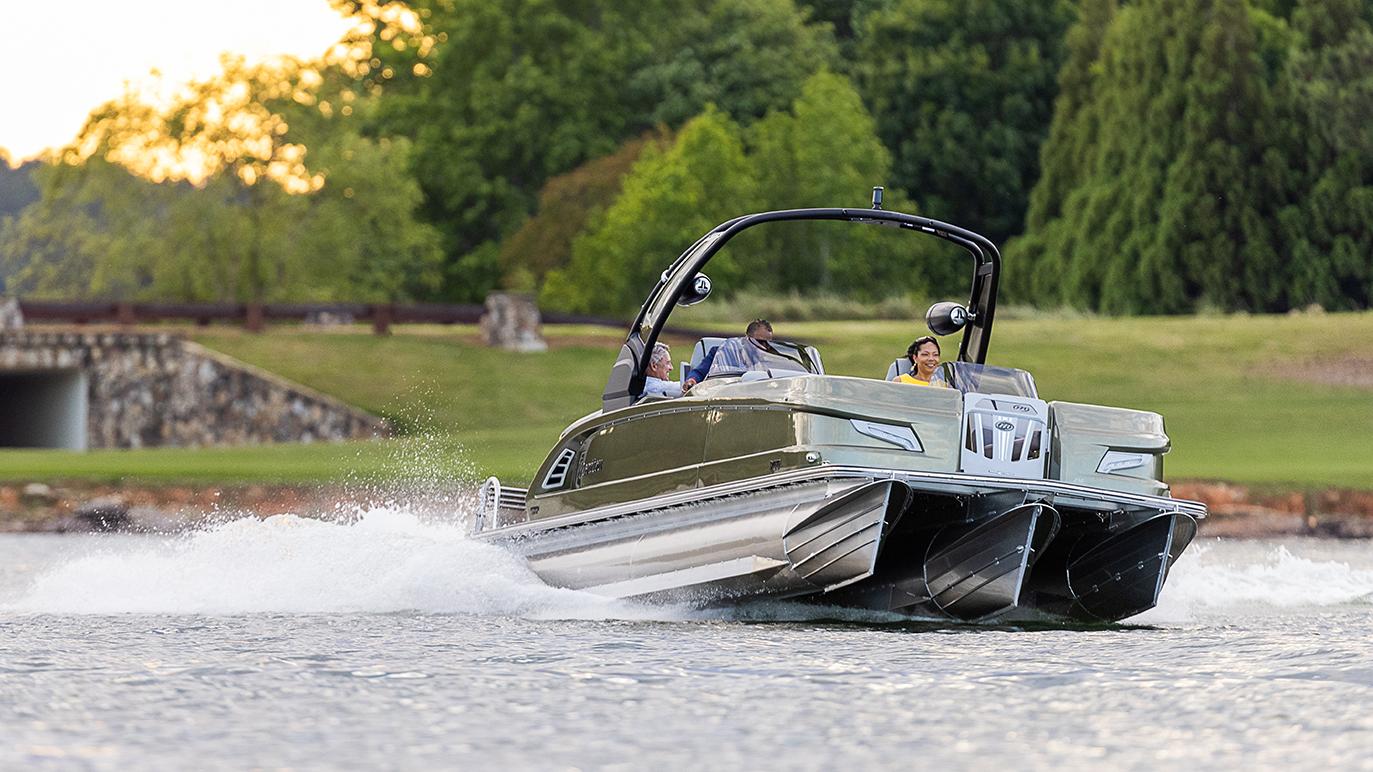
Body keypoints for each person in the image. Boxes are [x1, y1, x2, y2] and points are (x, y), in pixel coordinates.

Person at [683, 319, 773, 390]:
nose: (764, 347)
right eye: (760, 342)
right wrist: (692, 380)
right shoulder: (720, 353)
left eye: (768, 343)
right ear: (747, 339)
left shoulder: (771, 361)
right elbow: (699, 372)